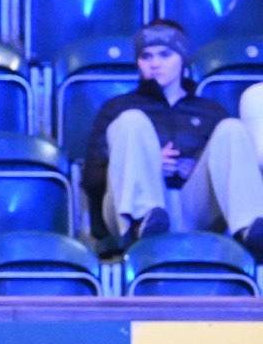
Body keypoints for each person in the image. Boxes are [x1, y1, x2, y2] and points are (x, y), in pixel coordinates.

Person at [84, 20, 263, 257]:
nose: (155, 64)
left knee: (231, 128)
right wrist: (146, 164)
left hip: (193, 207)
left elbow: (228, 168)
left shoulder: (210, 111)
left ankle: (251, 228)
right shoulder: (117, 108)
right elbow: (93, 182)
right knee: (132, 120)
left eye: (165, 55)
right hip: (124, 211)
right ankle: (142, 223)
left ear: (181, 58)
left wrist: (199, 165)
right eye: (146, 56)